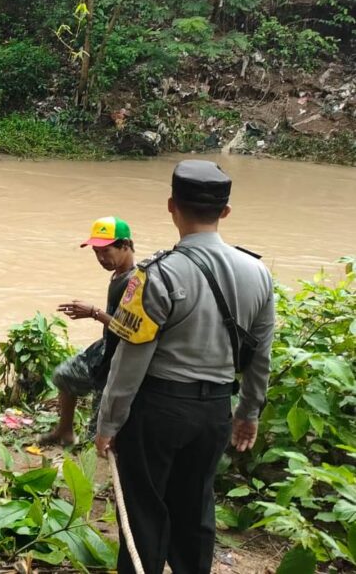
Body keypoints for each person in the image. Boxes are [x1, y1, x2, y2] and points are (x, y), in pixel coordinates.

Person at [96, 160, 275, 574]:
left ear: (171, 206)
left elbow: (129, 360)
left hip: (158, 411)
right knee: (195, 508)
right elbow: (260, 355)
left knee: (143, 509)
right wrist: (248, 414)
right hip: (214, 412)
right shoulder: (259, 273)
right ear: (225, 212)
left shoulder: (153, 276)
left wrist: (108, 424)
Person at [39, 216, 136, 447]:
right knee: (64, 375)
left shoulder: (136, 282)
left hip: (121, 358)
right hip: (105, 348)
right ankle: (64, 432)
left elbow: (132, 332)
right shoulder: (118, 275)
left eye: (106, 251)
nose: (101, 258)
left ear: (125, 246)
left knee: (100, 436)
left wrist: (94, 313)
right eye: (96, 252)